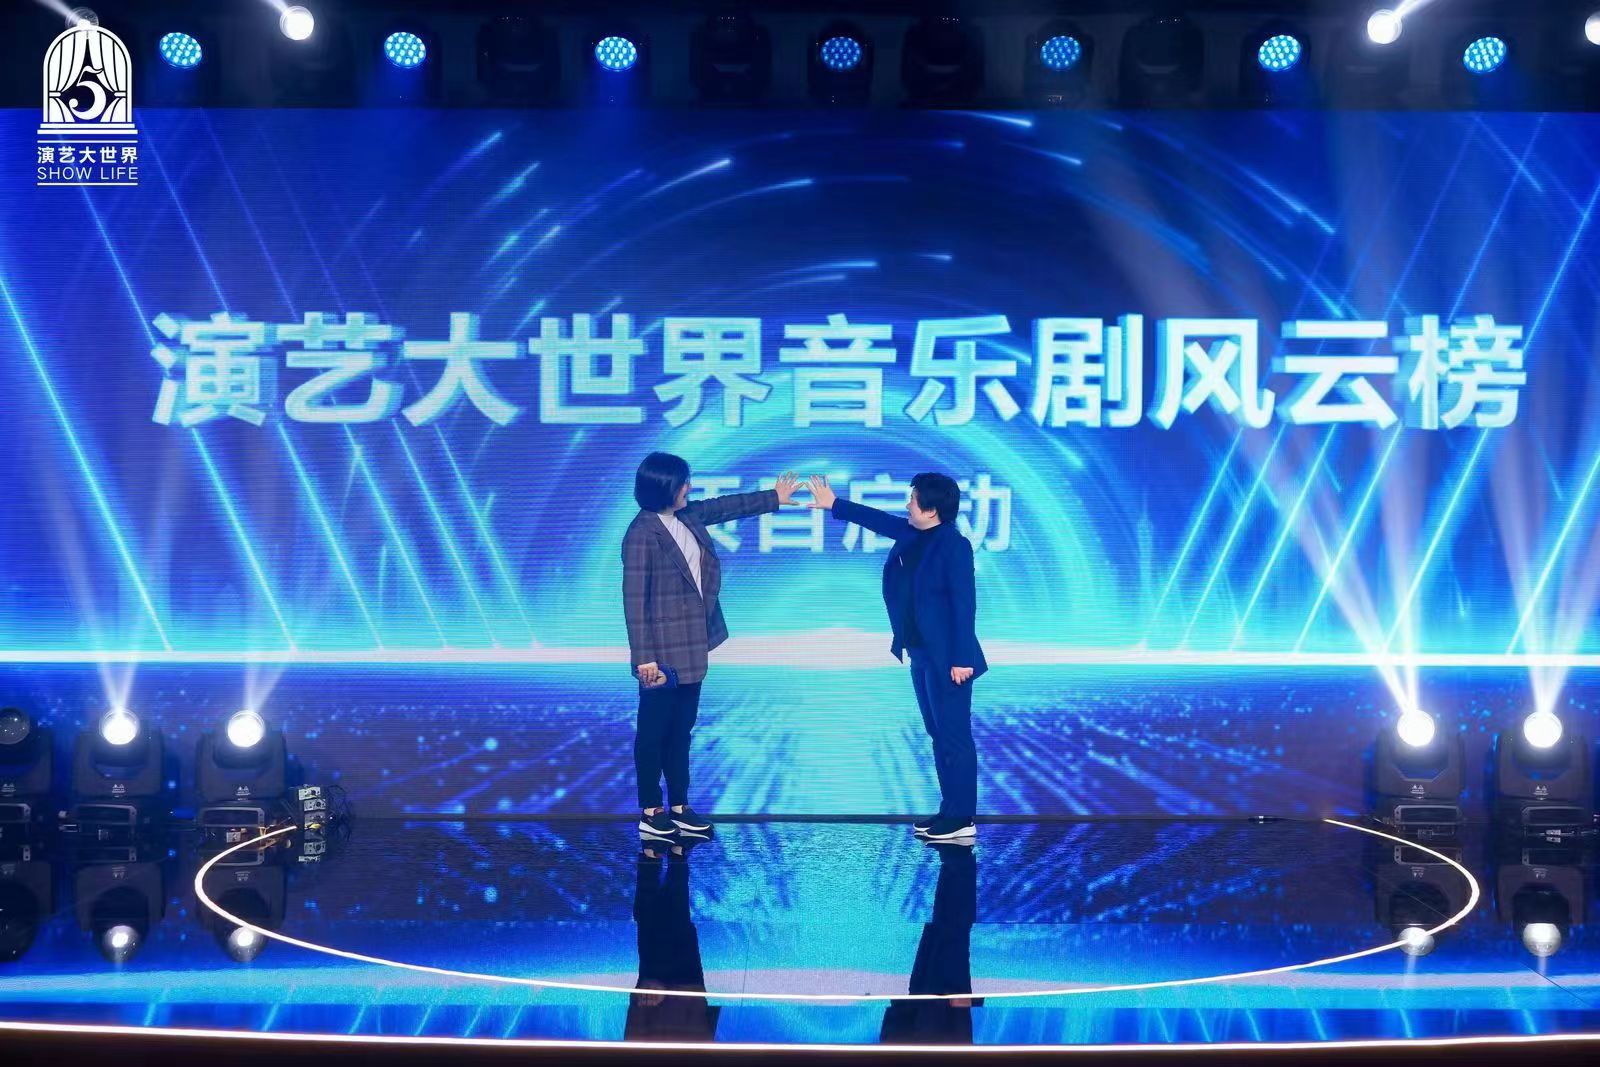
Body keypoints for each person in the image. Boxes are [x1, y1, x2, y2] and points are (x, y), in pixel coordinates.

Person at [623, 452, 801, 841]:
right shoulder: (641, 534)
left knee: (681, 731)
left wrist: (775, 497)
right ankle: (651, 811)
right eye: (682, 483)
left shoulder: (686, 516)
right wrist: (643, 658)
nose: (688, 488)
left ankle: (680, 807)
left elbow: (727, 506)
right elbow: (634, 601)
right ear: (663, 487)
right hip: (659, 655)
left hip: (691, 644)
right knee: (653, 734)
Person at [807, 473, 988, 841]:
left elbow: (964, 605)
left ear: (932, 510)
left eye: (913, 499)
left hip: (950, 659)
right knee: (938, 734)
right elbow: (877, 520)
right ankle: (950, 810)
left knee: (954, 736)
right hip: (921, 652)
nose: (908, 504)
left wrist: (962, 658)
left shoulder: (954, 546)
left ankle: (963, 818)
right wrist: (834, 504)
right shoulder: (912, 533)